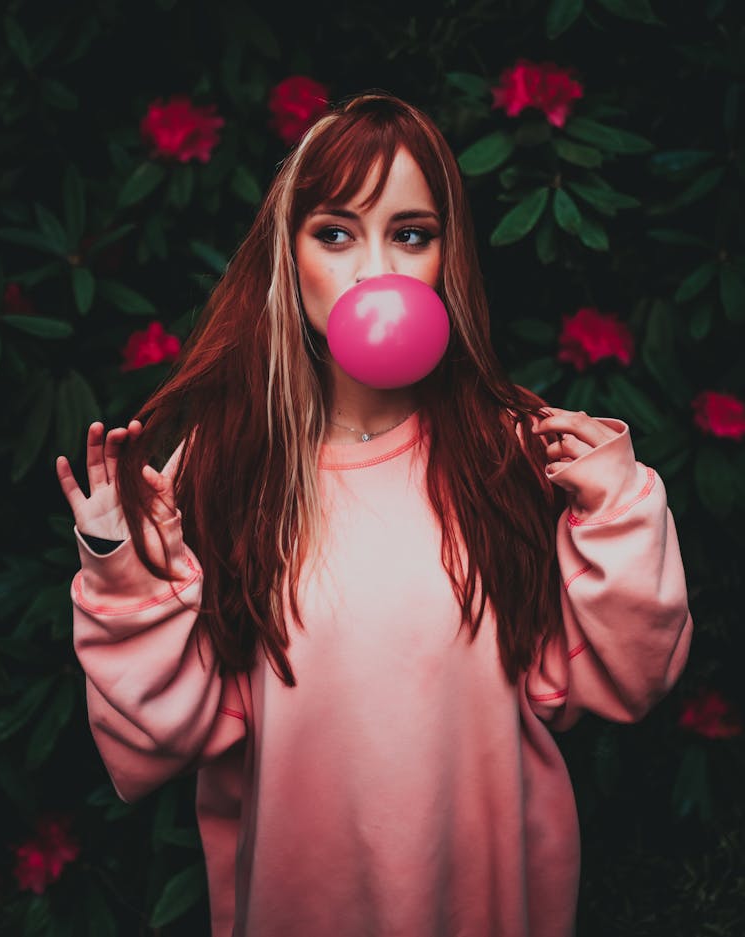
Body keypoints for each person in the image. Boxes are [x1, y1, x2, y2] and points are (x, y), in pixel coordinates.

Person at [57, 92, 693, 937]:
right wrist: (120, 563)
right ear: (290, 256)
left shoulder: (507, 455)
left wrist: (621, 505)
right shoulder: (228, 468)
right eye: (335, 232)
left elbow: (625, 678)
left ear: (446, 258)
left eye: (411, 233)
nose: (375, 269)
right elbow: (157, 741)